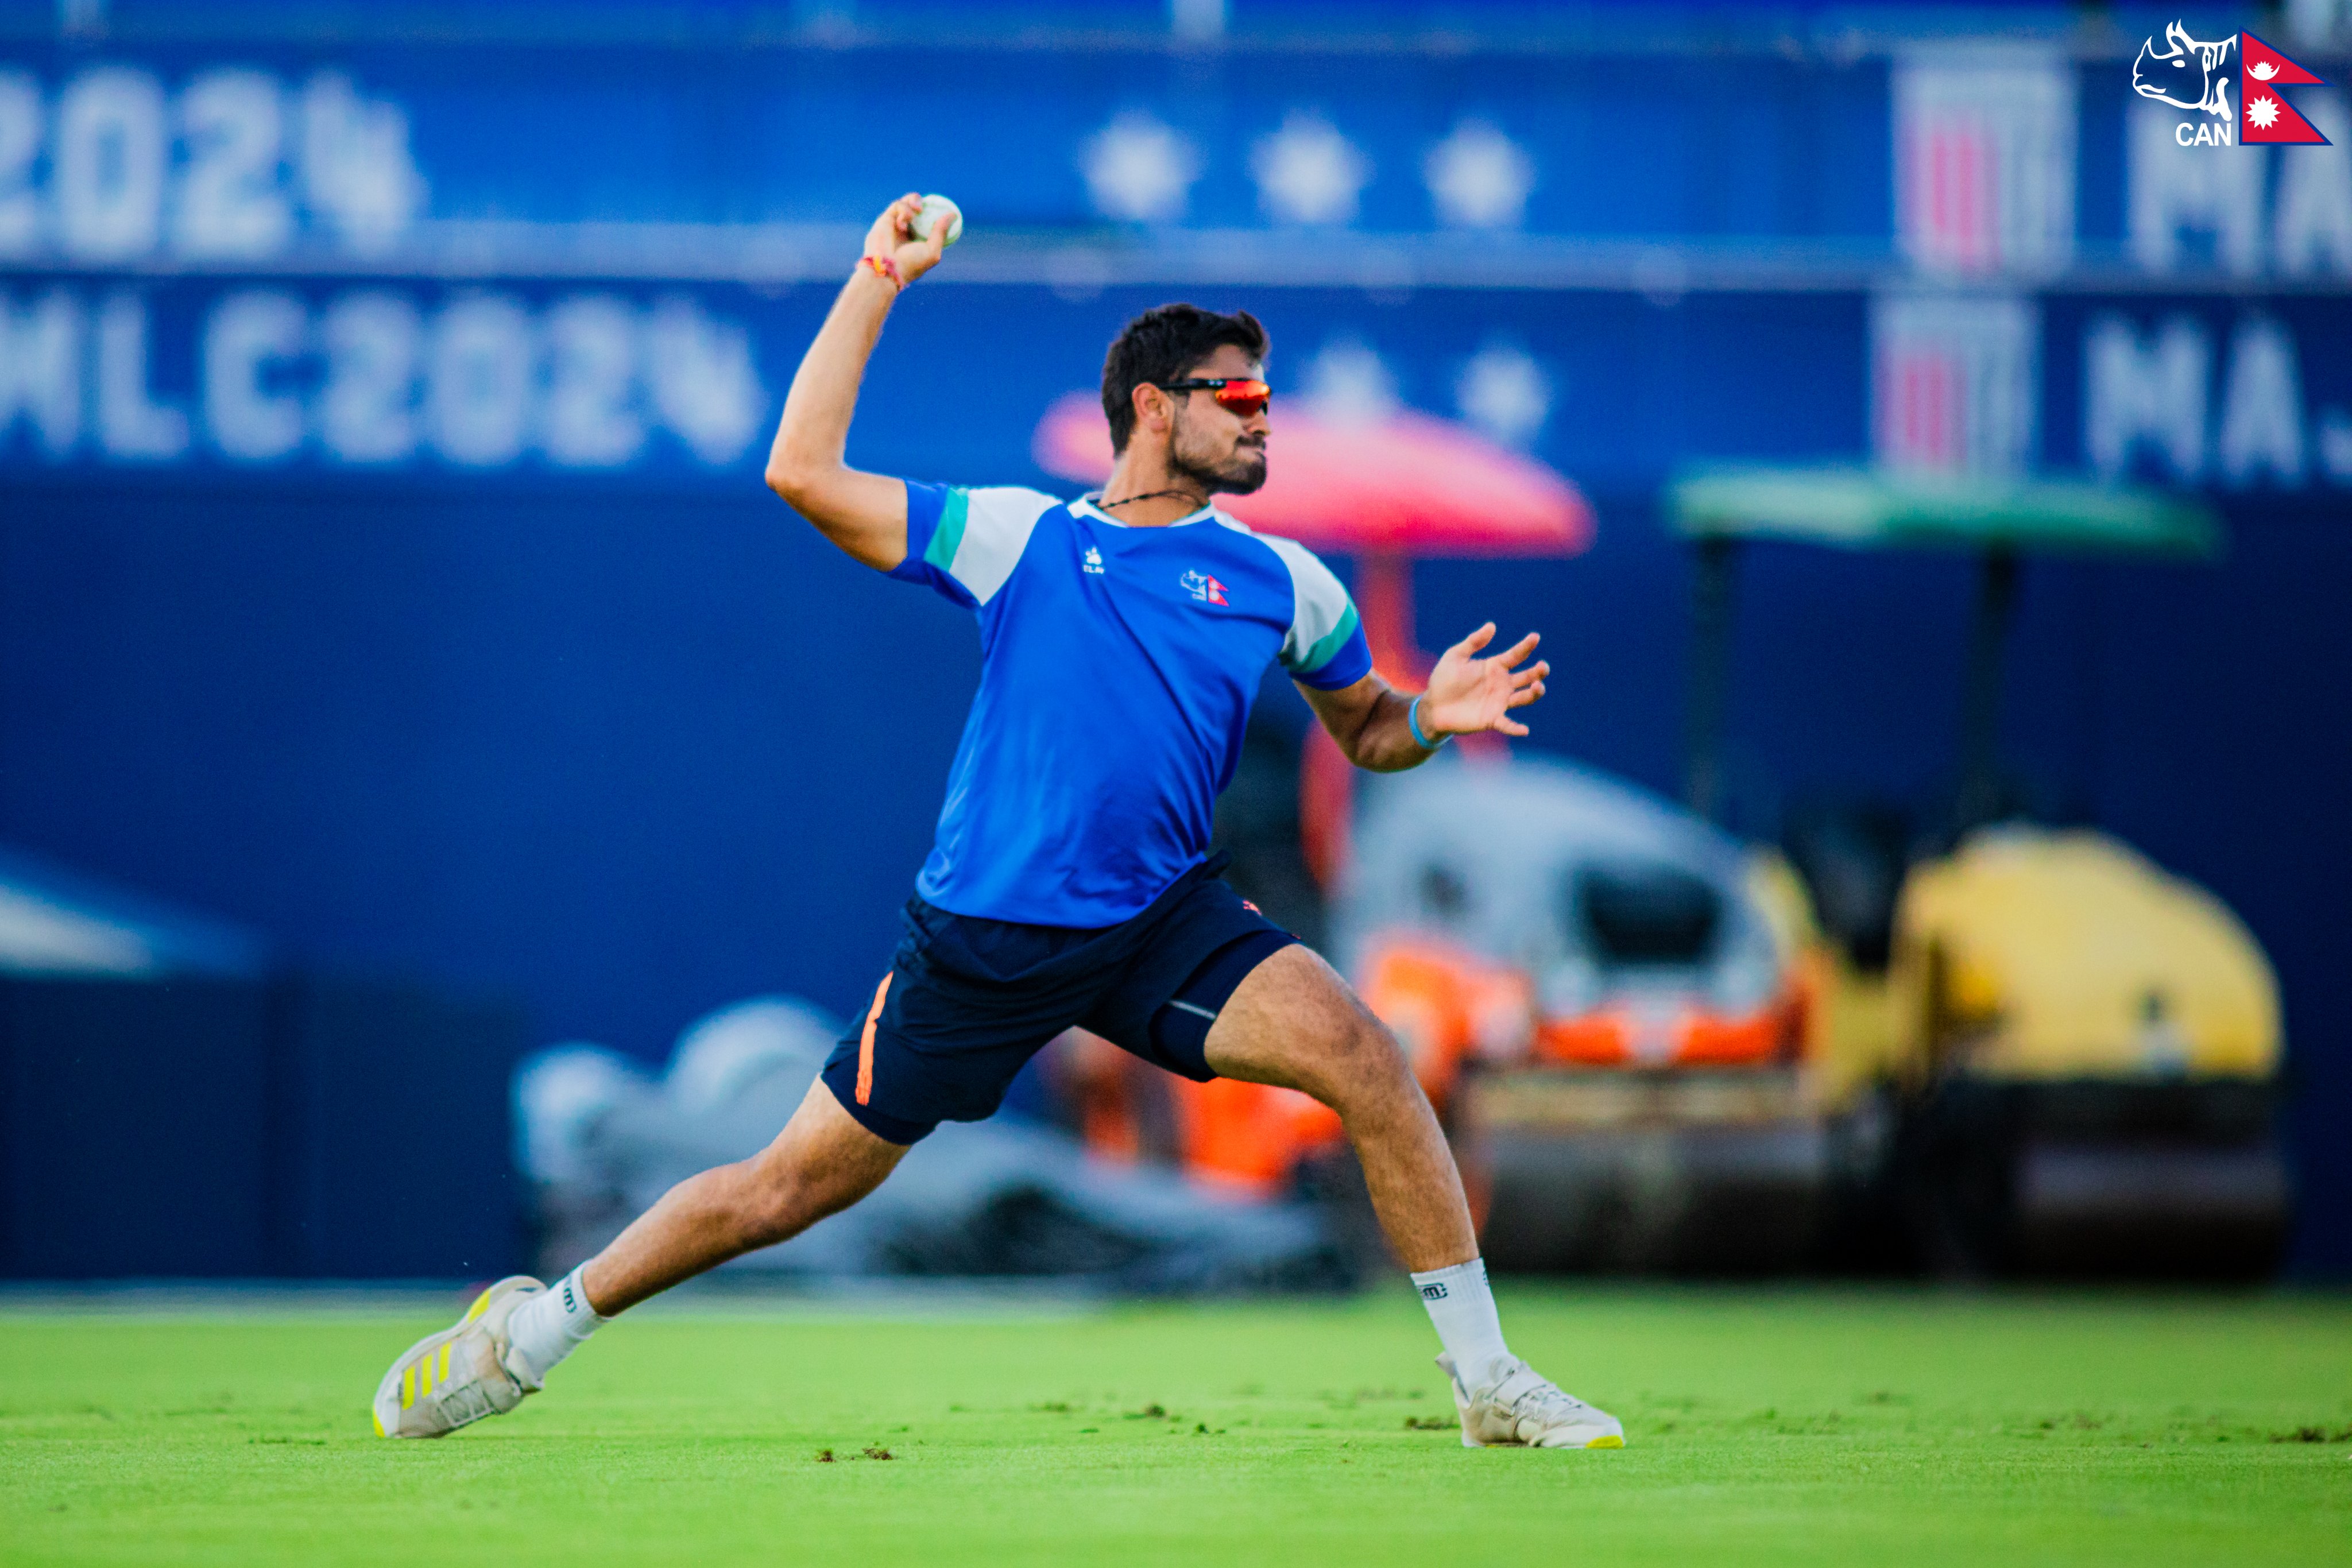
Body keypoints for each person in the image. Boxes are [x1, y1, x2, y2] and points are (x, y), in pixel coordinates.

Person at [373, 194, 1623, 1452]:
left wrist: (1427, 716)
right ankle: (527, 1336)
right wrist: (878, 275)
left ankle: (1486, 1380)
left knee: (1368, 1057)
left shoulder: (1285, 579)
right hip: (983, 942)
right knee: (781, 1190)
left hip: (1161, 922)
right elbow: (799, 471)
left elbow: (1367, 731)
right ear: (1153, 406)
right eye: (1235, 396)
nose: (1261, 418)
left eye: (1266, 397)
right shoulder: (1022, 535)